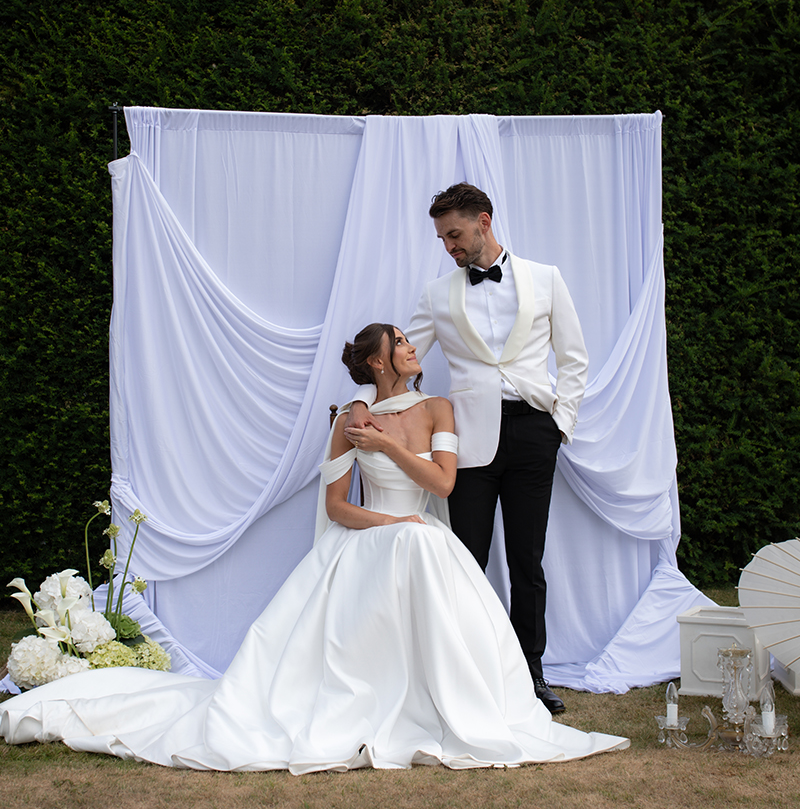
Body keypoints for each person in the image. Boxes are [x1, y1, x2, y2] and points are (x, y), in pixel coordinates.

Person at [0, 324, 626, 771]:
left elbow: (441, 483)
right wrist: (384, 523)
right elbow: (335, 507)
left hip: (424, 537)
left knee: (426, 552)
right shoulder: (349, 419)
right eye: (403, 344)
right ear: (381, 363)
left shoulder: (439, 407)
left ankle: (447, 704)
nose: (414, 348)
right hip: (374, 538)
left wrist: (387, 450)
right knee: (403, 556)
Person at [346, 185, 588, 716]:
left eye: (454, 235)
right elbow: (391, 358)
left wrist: (559, 426)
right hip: (466, 444)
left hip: (532, 434)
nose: (449, 247)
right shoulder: (437, 295)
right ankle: (472, 672)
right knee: (466, 560)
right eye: (442, 239)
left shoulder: (545, 279)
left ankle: (531, 674)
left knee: (527, 561)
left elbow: (573, 359)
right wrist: (361, 402)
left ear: (483, 221)